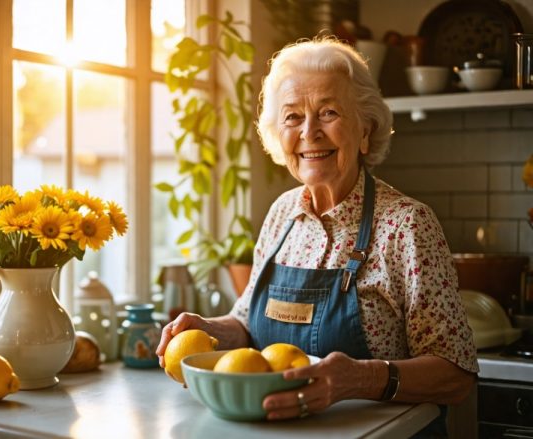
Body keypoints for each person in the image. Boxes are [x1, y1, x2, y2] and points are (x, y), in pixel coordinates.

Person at [156, 37, 478, 431]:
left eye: (328, 112)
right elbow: (246, 324)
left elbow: (456, 375)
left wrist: (361, 378)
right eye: (292, 117)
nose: (310, 132)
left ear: (365, 130)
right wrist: (210, 330)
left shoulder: (407, 225)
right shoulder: (282, 214)